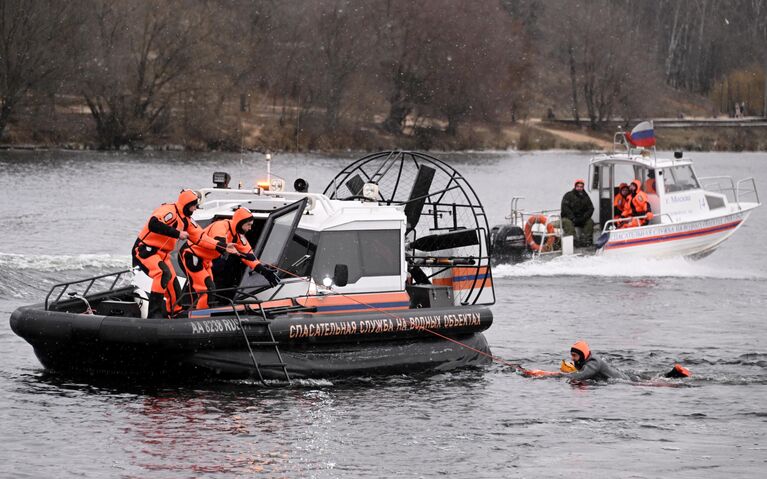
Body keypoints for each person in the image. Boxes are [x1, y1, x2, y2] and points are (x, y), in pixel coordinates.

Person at [133, 190, 233, 318]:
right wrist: (177, 233)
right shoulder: (169, 210)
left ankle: (175, 313)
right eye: (193, 206)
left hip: (162, 254)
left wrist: (222, 246)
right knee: (163, 273)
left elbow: (201, 237)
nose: (195, 209)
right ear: (186, 204)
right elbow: (153, 224)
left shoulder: (187, 221)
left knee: (174, 285)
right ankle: (154, 315)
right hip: (145, 250)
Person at [179, 207, 280, 309]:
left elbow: (250, 257)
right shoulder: (221, 225)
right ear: (240, 222)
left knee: (211, 290)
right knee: (207, 288)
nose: (250, 228)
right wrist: (229, 249)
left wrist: (264, 271)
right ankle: (198, 317)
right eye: (248, 225)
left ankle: (204, 313)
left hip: (205, 261)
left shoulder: (238, 236)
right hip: (191, 254)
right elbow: (219, 241)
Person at [523, 340, 691, 381]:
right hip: (624, 374)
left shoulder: (594, 362)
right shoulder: (587, 360)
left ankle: (676, 374)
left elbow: (579, 377)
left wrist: (544, 374)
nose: (572, 359)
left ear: (582, 355)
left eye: (574, 356)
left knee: (656, 383)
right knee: (653, 377)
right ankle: (674, 372)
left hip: (625, 380)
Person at [560, 179, 594, 247]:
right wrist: (572, 218)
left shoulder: (586, 196)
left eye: (581, 187)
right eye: (578, 186)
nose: (579, 188)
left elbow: (591, 208)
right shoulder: (568, 195)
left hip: (581, 218)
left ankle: (585, 241)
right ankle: (573, 241)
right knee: (567, 223)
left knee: (590, 222)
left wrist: (584, 217)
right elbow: (565, 208)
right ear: (575, 186)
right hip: (569, 218)